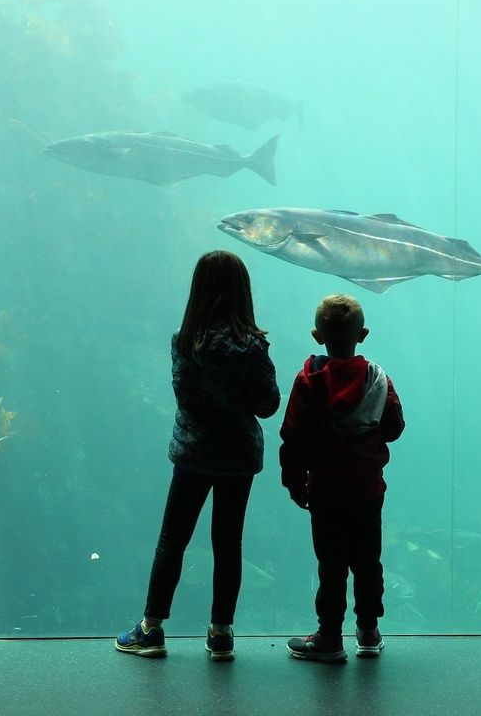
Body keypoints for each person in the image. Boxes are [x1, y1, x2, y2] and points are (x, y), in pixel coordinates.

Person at [116, 250, 280, 661]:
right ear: (243, 292)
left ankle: (152, 628)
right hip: (238, 456)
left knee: (173, 539)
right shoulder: (254, 348)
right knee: (228, 543)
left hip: (193, 452)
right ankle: (221, 633)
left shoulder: (184, 340)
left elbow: (184, 393)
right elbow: (268, 405)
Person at [281, 294, 404, 662]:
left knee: (331, 565)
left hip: (326, 491)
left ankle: (329, 638)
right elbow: (395, 427)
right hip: (367, 490)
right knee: (368, 561)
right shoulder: (379, 380)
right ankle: (368, 631)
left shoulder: (308, 380)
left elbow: (293, 436)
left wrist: (295, 482)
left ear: (317, 335)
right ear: (362, 334)